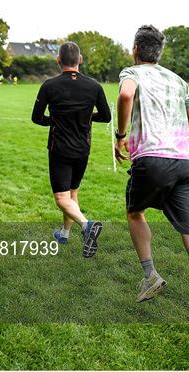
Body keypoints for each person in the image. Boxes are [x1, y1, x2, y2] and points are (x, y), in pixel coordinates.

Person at [114, 25, 189, 349]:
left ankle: (150, 275)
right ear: (159, 53)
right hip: (185, 164)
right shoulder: (178, 80)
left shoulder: (131, 71)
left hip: (151, 158)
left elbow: (125, 95)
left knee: (135, 212)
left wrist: (121, 135)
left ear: (135, 48)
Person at [32, 41, 111, 257]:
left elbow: (36, 118)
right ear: (80, 60)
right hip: (83, 149)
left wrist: (56, 120)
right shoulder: (94, 86)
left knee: (61, 198)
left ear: (58, 60)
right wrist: (85, 117)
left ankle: (87, 226)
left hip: (60, 149)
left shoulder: (49, 85)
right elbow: (106, 116)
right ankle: (64, 234)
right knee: (72, 193)